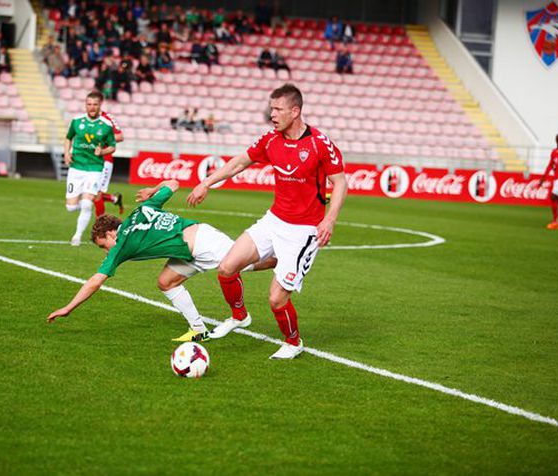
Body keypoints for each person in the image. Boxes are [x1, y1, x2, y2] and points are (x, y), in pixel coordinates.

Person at [187, 84, 348, 359]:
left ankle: (293, 342)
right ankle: (239, 316)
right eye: (270, 108)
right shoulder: (270, 139)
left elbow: (340, 182)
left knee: (276, 299)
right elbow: (239, 162)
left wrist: (329, 220)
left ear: (295, 111)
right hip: (273, 221)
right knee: (226, 267)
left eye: (277, 109)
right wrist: (206, 183)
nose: (272, 114)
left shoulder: (320, 144)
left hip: (304, 231)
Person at [47, 179, 276, 342]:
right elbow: (173, 183)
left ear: (110, 234)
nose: (104, 251)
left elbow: (95, 281)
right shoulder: (142, 208)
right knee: (166, 282)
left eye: (102, 245)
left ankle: (283, 258)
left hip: (206, 245)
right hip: (189, 249)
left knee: (251, 263)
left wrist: (68, 308)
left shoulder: (121, 243)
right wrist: (154, 189)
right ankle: (198, 329)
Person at [64, 89, 117, 246]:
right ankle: (84, 199)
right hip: (76, 168)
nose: (92, 107)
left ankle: (77, 236)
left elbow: (113, 147)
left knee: (87, 204)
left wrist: (103, 151)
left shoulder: (106, 126)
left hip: (95, 168)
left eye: (95, 104)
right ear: (85, 105)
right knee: (70, 207)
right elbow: (68, 138)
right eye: (89, 104)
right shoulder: (76, 121)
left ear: (100, 105)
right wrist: (66, 153)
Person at [94, 108, 125, 217]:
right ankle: (113, 198)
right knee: (87, 192)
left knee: (96, 194)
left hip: (104, 159)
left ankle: (100, 228)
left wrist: (101, 137)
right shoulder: (84, 119)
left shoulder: (107, 117)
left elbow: (120, 136)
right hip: (89, 160)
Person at [539, 133, 558, 229]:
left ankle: (556, 221)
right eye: (557, 139)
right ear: (555, 140)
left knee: (554, 197)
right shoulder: (554, 152)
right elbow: (550, 165)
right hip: (557, 179)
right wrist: (543, 178)